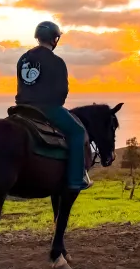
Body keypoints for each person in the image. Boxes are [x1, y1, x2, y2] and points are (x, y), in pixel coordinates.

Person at [15, 21, 91, 191]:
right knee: (78, 132)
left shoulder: (23, 58)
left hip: (21, 109)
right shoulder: (56, 61)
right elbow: (62, 91)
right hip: (47, 108)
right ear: (54, 39)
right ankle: (75, 179)